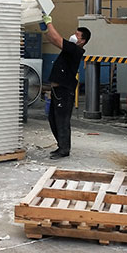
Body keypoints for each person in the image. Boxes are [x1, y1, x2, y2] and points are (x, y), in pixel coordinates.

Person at [41, 14, 90, 159]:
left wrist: (49, 23)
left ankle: (64, 149)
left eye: (77, 35)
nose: (73, 36)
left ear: (82, 41)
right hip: (57, 90)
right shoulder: (70, 48)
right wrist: (44, 29)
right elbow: (52, 40)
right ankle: (60, 145)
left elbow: (57, 39)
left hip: (64, 90)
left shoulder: (76, 50)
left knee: (62, 120)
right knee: (53, 118)